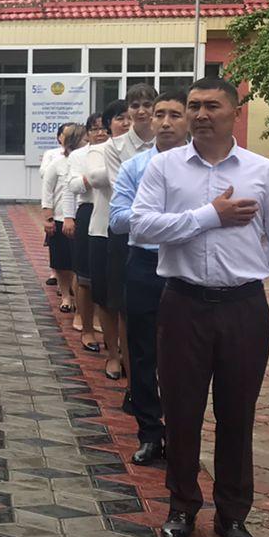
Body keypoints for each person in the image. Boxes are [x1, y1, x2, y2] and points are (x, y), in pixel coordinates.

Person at [131, 77, 269, 537]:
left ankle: (232, 515)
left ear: (235, 112)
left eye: (213, 105)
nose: (201, 114)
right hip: (183, 303)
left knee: (237, 414)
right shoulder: (164, 168)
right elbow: (141, 225)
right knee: (183, 412)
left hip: (242, 307)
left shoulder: (263, 172)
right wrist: (209, 215)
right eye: (194, 106)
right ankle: (182, 506)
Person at [109, 90, 186, 468]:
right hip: (144, 264)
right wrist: (158, 215)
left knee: (185, 356)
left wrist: (157, 220)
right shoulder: (135, 168)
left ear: (188, 120)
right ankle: (149, 432)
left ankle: (181, 433)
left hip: (187, 270)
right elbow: (118, 220)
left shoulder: (201, 168)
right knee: (142, 354)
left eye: (175, 114)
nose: (166, 122)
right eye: (160, 115)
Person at [92, 85, 156, 391]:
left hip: (161, 235)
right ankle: (118, 358)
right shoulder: (114, 147)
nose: (141, 111)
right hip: (124, 233)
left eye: (147, 104)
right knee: (120, 303)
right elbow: (122, 189)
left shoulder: (169, 142)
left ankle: (149, 375)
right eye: (135, 105)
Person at [83, 99, 131, 378]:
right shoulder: (99, 150)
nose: (126, 123)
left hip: (137, 235)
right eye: (119, 118)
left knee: (129, 302)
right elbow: (97, 177)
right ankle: (113, 353)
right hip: (103, 231)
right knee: (106, 298)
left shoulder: (151, 150)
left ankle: (130, 353)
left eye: (130, 118)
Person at [64, 113, 107, 345]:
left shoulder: (117, 152)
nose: (100, 133)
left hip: (112, 212)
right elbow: (72, 186)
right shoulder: (80, 156)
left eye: (104, 129)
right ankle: (86, 325)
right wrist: (68, 217)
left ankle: (103, 320)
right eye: (94, 129)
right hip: (88, 211)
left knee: (108, 275)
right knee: (84, 275)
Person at [42, 124, 84, 314]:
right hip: (60, 218)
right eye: (84, 139)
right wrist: (48, 218)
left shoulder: (88, 163)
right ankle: (66, 295)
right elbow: (47, 191)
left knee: (78, 263)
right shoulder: (57, 163)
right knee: (61, 262)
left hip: (81, 217)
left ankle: (78, 297)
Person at [39, 122, 72, 289]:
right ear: (59, 137)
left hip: (73, 213)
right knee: (58, 250)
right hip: (57, 209)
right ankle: (58, 277)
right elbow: (44, 174)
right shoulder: (52, 155)